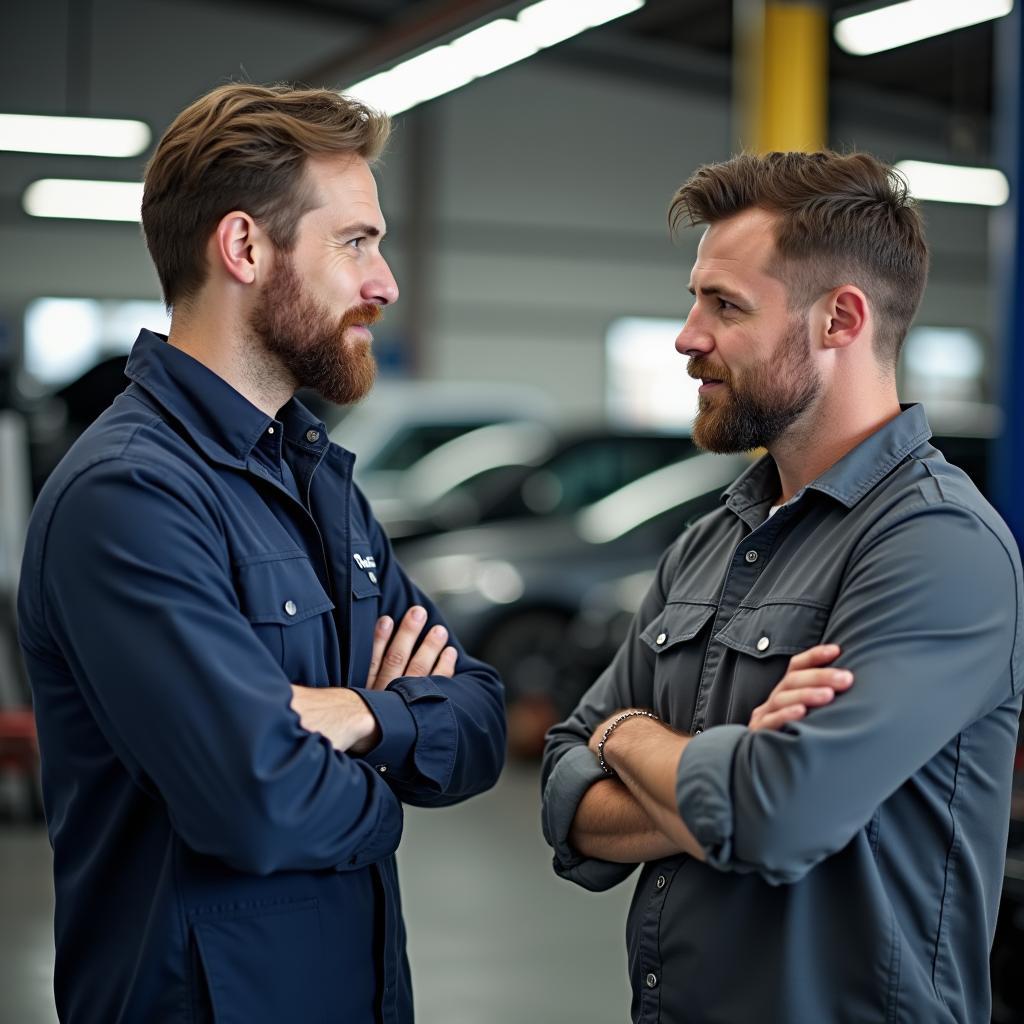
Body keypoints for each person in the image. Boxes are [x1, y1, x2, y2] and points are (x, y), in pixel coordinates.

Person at [17, 83, 505, 1024]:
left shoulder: (316, 479)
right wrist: (391, 767)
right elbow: (256, 802)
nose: (385, 281)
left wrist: (359, 718)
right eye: (355, 241)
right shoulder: (131, 496)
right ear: (244, 247)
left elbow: (478, 715)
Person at [541, 151, 1022, 1024]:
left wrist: (627, 734)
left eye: (725, 305)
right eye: (696, 300)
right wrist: (721, 776)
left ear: (840, 319)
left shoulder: (938, 548)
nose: (688, 336)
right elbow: (564, 792)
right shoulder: (707, 542)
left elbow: (776, 818)